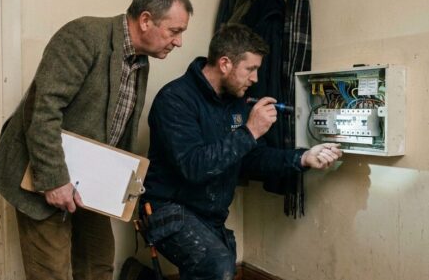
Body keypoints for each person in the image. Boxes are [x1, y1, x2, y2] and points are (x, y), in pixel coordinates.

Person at [0, 0, 193, 280]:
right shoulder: (83, 36)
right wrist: (55, 180)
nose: (179, 42)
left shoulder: (141, 61)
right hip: (42, 172)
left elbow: (117, 127)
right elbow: (42, 111)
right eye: (175, 31)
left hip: (89, 182)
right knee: (51, 273)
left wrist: (119, 187)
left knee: (98, 266)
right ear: (146, 20)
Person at [140, 24, 342, 280]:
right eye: (251, 69)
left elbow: (251, 158)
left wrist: (302, 157)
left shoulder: (235, 101)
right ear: (225, 63)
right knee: (217, 265)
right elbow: (193, 166)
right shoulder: (175, 100)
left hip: (208, 213)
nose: (255, 79)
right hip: (166, 207)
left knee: (223, 262)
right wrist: (249, 131)